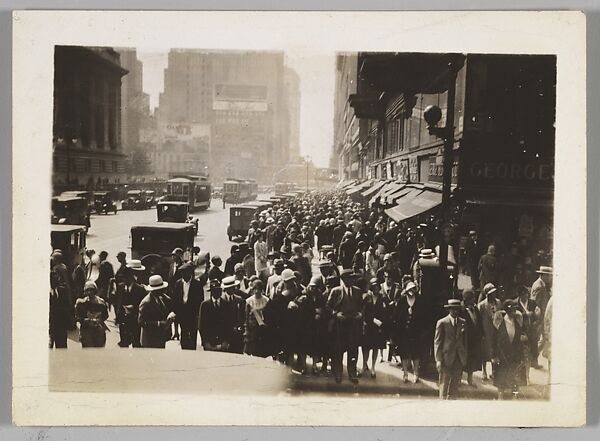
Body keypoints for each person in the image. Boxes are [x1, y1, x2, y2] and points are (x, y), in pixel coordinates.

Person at [327, 269, 363, 384]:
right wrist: (336, 314)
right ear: (343, 279)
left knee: (353, 350)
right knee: (338, 350)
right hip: (340, 326)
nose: (352, 280)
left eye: (353, 278)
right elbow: (328, 306)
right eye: (350, 278)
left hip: (353, 326)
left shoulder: (357, 291)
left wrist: (360, 314)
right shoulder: (336, 291)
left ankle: (352, 373)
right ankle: (338, 372)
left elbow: (362, 306)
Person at [492, 299, 528, 399]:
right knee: (501, 374)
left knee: (515, 374)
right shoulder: (499, 322)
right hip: (502, 353)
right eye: (512, 310)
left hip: (515, 353)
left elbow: (524, 334)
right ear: (507, 311)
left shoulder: (518, 321)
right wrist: (494, 356)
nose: (514, 312)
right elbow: (494, 340)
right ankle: (500, 395)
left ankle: (515, 395)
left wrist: (523, 338)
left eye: (514, 310)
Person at [392, 281, 426, 383]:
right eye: (410, 289)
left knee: (416, 354)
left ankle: (416, 373)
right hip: (404, 332)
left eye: (413, 289)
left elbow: (423, 316)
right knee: (404, 353)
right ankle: (405, 373)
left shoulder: (419, 301)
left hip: (415, 332)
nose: (412, 291)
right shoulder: (402, 301)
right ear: (406, 290)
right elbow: (396, 316)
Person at [434, 299, 468, 399]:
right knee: (444, 383)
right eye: (453, 309)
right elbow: (437, 342)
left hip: (458, 357)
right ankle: (443, 404)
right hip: (446, 357)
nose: (455, 312)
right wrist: (438, 360)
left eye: (457, 309)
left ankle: (452, 405)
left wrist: (464, 355)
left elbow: (465, 341)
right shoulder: (442, 323)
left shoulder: (463, 322)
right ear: (449, 310)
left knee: (455, 385)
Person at [172, 262, 204, 350]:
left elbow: (200, 300)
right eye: (181, 273)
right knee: (184, 333)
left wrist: (198, 314)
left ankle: (192, 350)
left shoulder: (197, 284)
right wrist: (175, 311)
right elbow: (175, 299)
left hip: (192, 313)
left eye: (184, 273)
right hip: (182, 312)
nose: (183, 276)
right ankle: (184, 350)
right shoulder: (178, 283)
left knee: (193, 333)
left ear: (189, 273)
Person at [114, 260, 147, 348]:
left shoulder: (140, 289)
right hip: (124, 321)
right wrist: (118, 317)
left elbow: (143, 305)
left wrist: (134, 308)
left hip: (135, 320)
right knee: (124, 343)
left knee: (136, 343)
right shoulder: (120, 287)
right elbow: (118, 303)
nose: (124, 280)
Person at [138, 275, 176, 348]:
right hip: (149, 340)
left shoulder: (162, 299)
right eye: (161, 289)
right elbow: (141, 322)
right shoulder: (146, 302)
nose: (163, 291)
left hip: (160, 338)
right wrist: (159, 323)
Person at [361, 278, 388, 379]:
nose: (376, 288)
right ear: (371, 287)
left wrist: (381, 322)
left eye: (377, 286)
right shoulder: (366, 297)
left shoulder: (382, 298)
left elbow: (385, 312)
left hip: (378, 327)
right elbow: (363, 311)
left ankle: (373, 367)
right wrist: (371, 319)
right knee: (366, 347)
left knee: (376, 347)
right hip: (368, 326)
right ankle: (364, 365)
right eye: (374, 287)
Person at [516, 285, 542, 375]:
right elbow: (515, 316)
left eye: (526, 294)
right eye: (523, 294)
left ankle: (533, 363)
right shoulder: (516, 303)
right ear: (519, 295)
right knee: (522, 352)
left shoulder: (532, 303)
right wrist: (525, 315)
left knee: (533, 347)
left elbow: (537, 315)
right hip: (521, 331)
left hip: (531, 330)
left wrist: (535, 319)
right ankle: (522, 372)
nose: (525, 296)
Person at [199, 279, 232, 351]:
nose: (219, 292)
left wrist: (226, 341)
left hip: (222, 342)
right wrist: (205, 342)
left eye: (219, 290)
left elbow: (229, 323)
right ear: (212, 292)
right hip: (209, 342)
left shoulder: (226, 304)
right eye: (216, 290)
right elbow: (201, 325)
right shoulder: (205, 305)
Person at [477, 282, 501, 381]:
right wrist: (481, 333)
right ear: (487, 294)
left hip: (496, 331)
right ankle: (484, 371)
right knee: (485, 352)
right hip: (486, 331)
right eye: (491, 293)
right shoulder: (482, 305)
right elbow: (478, 320)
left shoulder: (498, 302)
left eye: (494, 292)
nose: (493, 295)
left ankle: (494, 372)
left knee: (495, 352)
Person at [74, 281, 109, 348]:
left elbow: (105, 315)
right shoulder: (81, 303)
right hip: (86, 330)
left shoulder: (101, 303)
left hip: (98, 330)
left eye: (91, 290)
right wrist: (85, 320)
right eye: (87, 290)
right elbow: (77, 316)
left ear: (95, 290)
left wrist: (99, 320)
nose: (89, 292)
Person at [461, 288, 483, 386]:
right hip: (465, 339)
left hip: (475, 340)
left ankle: (470, 379)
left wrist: (482, 334)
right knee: (463, 359)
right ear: (467, 300)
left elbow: (479, 323)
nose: (474, 300)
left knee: (472, 360)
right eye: (472, 298)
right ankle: (459, 379)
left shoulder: (475, 309)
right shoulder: (462, 310)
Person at [244, 279, 270, 357]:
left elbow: (268, 316)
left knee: (262, 352)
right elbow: (246, 317)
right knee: (253, 351)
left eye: (258, 289)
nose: (256, 291)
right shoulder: (249, 301)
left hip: (263, 330)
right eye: (255, 289)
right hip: (252, 330)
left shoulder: (266, 300)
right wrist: (247, 331)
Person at [221, 276, 246, 354]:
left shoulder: (239, 300)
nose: (233, 289)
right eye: (230, 288)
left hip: (237, 336)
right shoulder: (221, 300)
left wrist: (239, 327)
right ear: (226, 289)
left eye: (233, 287)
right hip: (224, 335)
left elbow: (242, 316)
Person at [49, 270, 72, 348]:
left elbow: (67, 306)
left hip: (60, 325)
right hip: (48, 325)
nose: (56, 280)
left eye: (57, 278)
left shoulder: (62, 290)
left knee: (62, 347)